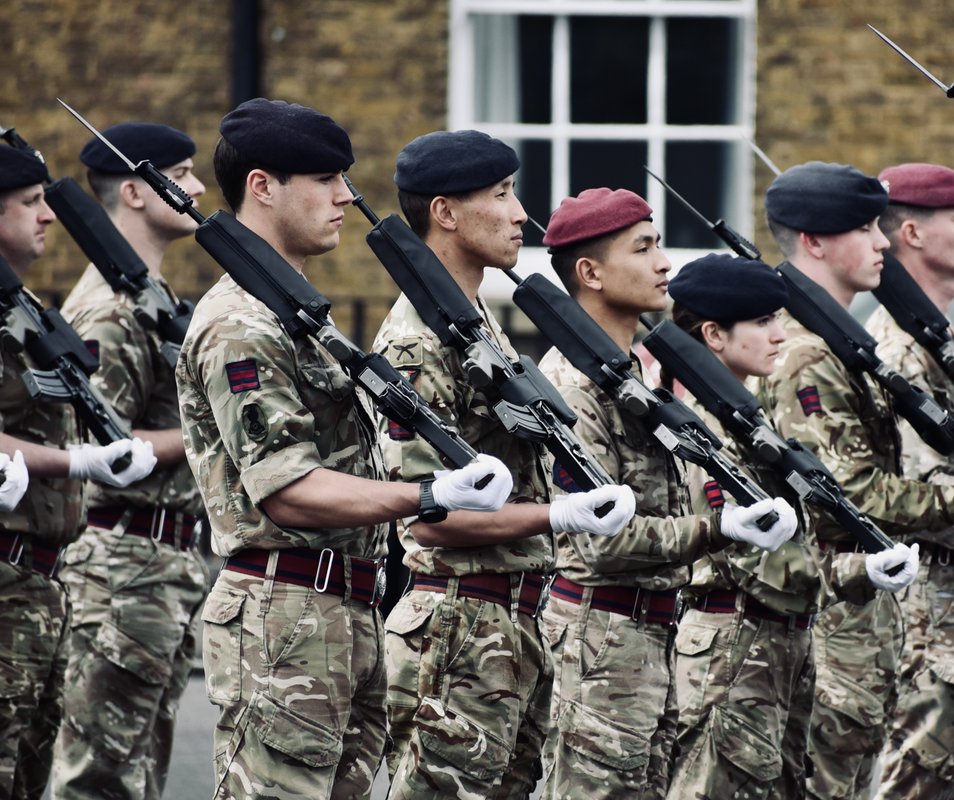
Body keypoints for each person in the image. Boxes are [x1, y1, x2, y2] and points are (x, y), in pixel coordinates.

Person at [175, 101, 513, 799]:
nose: (344, 197)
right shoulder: (241, 323)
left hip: (343, 607)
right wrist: (429, 496)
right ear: (263, 186)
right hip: (283, 610)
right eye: (326, 179)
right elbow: (288, 488)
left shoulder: (294, 315)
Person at [758, 161, 954, 800]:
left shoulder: (843, 345)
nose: (882, 241)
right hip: (843, 610)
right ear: (816, 242)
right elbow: (846, 491)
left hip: (876, 612)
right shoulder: (806, 352)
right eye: (863, 229)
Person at [373, 131, 635, 799]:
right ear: (445, 213)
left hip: (511, 622)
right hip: (456, 631)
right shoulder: (414, 340)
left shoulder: (475, 322)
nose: (521, 213)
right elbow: (428, 516)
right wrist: (559, 513)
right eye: (501, 194)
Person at [537, 188, 797, 799]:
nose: (664, 264)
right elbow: (601, 543)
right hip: (597, 644)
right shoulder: (571, 386)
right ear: (590, 273)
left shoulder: (632, 377)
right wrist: (720, 529)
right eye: (644, 247)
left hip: (650, 637)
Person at [662, 252, 918, 800]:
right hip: (733, 657)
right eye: (761, 322)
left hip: (774, 651)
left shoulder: (749, 421)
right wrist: (861, 569)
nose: (780, 336)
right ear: (713, 335)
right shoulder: (708, 437)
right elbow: (762, 566)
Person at [50, 122, 212, 800]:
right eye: (182, 173)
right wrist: (215, 433)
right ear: (136, 193)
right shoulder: (110, 312)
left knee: (138, 776)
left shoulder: (147, 299)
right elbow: (98, 455)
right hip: (122, 565)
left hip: (159, 566)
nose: (198, 188)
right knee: (100, 781)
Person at [0, 145, 156, 798]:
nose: (49, 218)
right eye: (32, 203)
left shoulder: (23, 306)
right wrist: (78, 461)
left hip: (41, 582)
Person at [866, 163, 954, 799]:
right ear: (912, 235)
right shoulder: (898, 350)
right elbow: (911, 494)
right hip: (931, 600)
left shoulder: (938, 336)